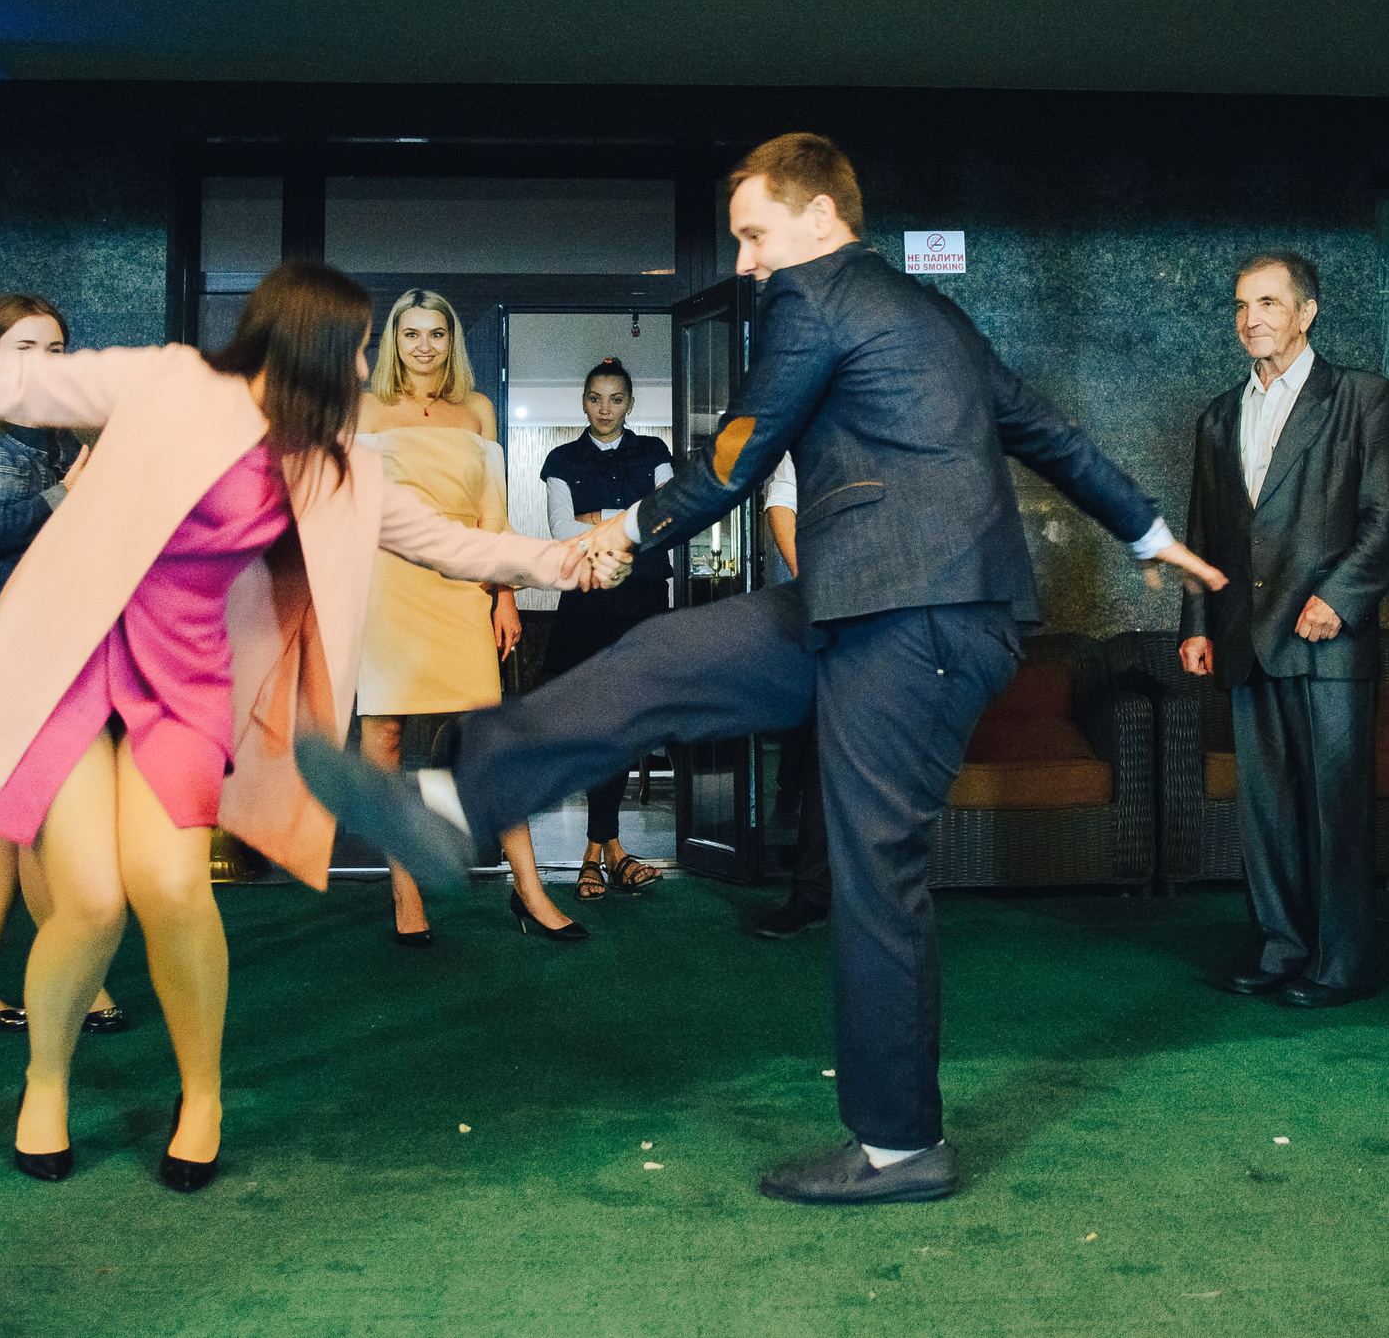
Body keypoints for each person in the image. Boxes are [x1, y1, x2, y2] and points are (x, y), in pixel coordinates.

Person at [298, 133, 1226, 1205]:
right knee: (663, 656)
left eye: (751, 232)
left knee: (874, 862)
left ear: (821, 217)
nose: (741, 259)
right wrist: (1152, 532)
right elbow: (1055, 437)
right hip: (855, 603)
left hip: (920, 615)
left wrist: (624, 531)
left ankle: (899, 1142)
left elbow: (740, 448)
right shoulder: (932, 317)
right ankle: (457, 800)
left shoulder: (816, 295)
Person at [0, 263, 598, 1191]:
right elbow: (5, 380)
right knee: (87, 902)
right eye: (358, 344)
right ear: (312, 344)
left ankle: (201, 1097)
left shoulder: (332, 463)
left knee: (170, 887)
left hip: (186, 678)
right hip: (75, 661)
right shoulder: (166, 381)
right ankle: (46, 1081)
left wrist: (560, 557)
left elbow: (446, 539)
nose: (367, 365)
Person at [1178, 252, 1389, 1008]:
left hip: (1327, 638)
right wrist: (1195, 623)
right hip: (1247, 637)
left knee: (1336, 808)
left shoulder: (1364, 398)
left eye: (1270, 303)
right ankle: (1284, 949)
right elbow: (1204, 533)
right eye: (1243, 304)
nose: (1253, 318)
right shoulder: (1218, 416)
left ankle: (1339, 963)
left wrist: (1340, 598)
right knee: (1270, 812)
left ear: (1307, 313)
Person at [356, 290, 581, 945]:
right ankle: (404, 888)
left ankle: (530, 890)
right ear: (394, 341)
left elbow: (493, 514)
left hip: (460, 589)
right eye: (411, 333)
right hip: (388, 584)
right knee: (386, 736)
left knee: (490, 740)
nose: (423, 345)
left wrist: (505, 593)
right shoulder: (367, 409)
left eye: (436, 333)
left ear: (452, 342)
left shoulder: (477, 410)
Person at [0, 293, 124, 1037]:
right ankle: (81, 980)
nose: (41, 363)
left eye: (53, 349)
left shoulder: (57, 434)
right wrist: (66, 492)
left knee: (13, 824)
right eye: (24, 348)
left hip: (55, 640)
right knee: (30, 817)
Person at [538, 358, 674, 902]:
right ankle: (606, 850)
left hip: (640, 606)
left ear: (630, 404)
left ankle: (600, 852)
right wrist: (630, 518)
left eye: (616, 399)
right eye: (595, 397)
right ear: (584, 401)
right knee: (595, 728)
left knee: (626, 725)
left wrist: (596, 518)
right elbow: (559, 532)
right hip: (586, 609)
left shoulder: (655, 454)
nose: (605, 408)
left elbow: (666, 524)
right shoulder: (561, 459)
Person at [754, 453, 829, 941]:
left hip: (907, 607)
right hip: (833, 604)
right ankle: (811, 896)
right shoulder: (812, 424)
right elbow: (780, 501)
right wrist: (815, 581)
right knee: (826, 753)